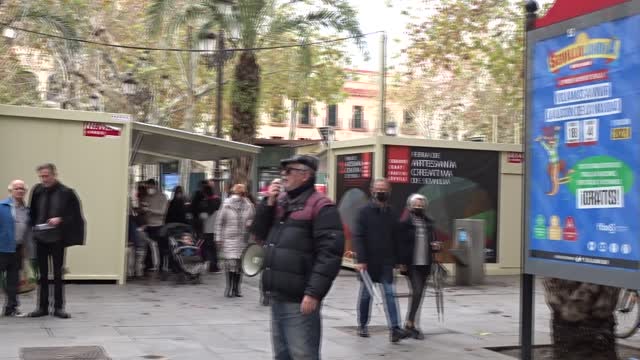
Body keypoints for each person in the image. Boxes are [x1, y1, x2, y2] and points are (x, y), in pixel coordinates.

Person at [251, 155, 344, 360]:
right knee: (282, 354)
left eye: (289, 171)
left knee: (302, 354)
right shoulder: (281, 203)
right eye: (283, 171)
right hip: (278, 294)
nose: (283, 176)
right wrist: (268, 203)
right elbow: (258, 234)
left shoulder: (322, 207)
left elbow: (329, 255)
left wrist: (313, 293)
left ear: (305, 175)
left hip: (301, 299)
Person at [353, 178, 407, 342]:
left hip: (386, 261)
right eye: (378, 188)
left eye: (384, 189)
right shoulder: (364, 211)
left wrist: (399, 260)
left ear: (389, 191)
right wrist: (361, 259)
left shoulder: (392, 212)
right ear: (372, 190)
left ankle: (395, 328)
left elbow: (397, 237)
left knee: (390, 293)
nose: (381, 192)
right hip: (368, 261)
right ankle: (362, 324)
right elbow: (359, 237)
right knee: (366, 295)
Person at [28, 163, 85, 319]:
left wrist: (60, 219)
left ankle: (59, 307)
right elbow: (32, 212)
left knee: (58, 274)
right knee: (42, 275)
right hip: (40, 238)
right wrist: (33, 229)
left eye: (46, 176)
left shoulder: (66, 193)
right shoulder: (37, 191)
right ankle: (42, 307)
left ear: (55, 175)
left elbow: (75, 216)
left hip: (57, 239)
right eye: (41, 176)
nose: (43, 179)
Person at [397, 194, 441, 340]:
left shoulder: (429, 222)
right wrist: (401, 263)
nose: (419, 207)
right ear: (410, 206)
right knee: (416, 291)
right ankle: (410, 323)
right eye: (416, 205)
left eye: (421, 205)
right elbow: (401, 244)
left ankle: (413, 325)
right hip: (412, 264)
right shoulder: (404, 223)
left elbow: (433, 241)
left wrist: (436, 247)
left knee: (419, 294)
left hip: (425, 263)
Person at [215, 184, 255, 297]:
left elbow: (253, 219)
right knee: (230, 263)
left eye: (242, 194)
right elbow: (219, 222)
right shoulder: (226, 205)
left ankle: (237, 288)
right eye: (238, 194)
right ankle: (229, 287)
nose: (240, 196)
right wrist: (218, 238)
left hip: (243, 238)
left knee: (240, 265)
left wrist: (250, 224)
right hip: (229, 238)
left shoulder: (249, 206)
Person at [0, 180, 31, 317]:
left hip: (17, 249)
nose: (19, 190)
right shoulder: (2, 207)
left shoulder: (27, 210)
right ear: (11, 191)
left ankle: (11, 308)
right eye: (16, 188)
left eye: (22, 188)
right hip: (2, 248)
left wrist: (25, 249)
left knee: (13, 280)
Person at [143, 179, 169, 279]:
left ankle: (162, 266)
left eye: (150, 187)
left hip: (159, 225)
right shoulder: (146, 197)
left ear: (155, 186)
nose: (149, 189)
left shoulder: (162, 197)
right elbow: (144, 210)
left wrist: (149, 210)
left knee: (160, 247)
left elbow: (162, 212)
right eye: (148, 187)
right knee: (149, 248)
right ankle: (152, 265)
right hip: (148, 225)